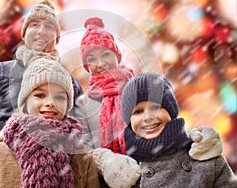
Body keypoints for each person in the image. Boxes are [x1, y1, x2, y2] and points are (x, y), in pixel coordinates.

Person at [75, 17, 225, 188]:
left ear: (117, 55)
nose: (100, 63)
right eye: (92, 58)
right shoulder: (84, 105)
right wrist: (105, 160)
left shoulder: (138, 88)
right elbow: (83, 150)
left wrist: (196, 139)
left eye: (105, 54)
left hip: (150, 173)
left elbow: (167, 125)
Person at [0, 0, 83, 188]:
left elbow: (83, 139)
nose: (41, 31)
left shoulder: (70, 83)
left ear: (57, 36)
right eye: (34, 24)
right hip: (2, 175)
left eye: (49, 26)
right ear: (24, 33)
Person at [0, 58, 100, 188]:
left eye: (59, 97)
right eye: (40, 95)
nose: (51, 103)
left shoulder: (82, 160)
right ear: (25, 103)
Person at [119, 73, 237, 187]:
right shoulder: (122, 169)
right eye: (138, 111)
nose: (148, 117)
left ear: (171, 111)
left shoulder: (204, 156)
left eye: (155, 107)